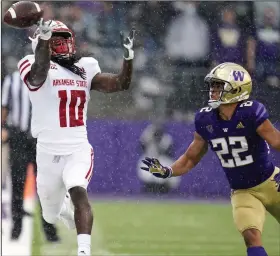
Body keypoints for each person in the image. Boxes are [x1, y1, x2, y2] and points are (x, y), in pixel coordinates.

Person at [17, 19, 135, 256]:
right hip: (48, 152)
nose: (62, 45)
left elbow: (120, 84)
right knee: (49, 215)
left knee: (78, 190)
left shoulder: (86, 66)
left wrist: (129, 57)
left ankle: (84, 252)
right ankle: (64, 210)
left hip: (77, 147)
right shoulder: (31, 63)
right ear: (43, 43)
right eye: (55, 40)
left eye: (63, 39)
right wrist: (43, 41)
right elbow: (38, 75)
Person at [141, 62, 280, 256]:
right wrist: (168, 171)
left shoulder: (251, 112)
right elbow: (191, 157)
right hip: (242, 191)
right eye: (212, 86)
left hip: (271, 182)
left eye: (218, 86)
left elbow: (276, 142)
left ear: (236, 89)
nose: (213, 91)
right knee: (251, 236)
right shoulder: (206, 119)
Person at [1, 70, 60, 242]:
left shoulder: (47, 80)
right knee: (18, 184)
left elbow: (54, 107)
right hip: (18, 136)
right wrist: (3, 128)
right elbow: (4, 107)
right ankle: (16, 228)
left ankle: (49, 230)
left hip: (41, 138)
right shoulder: (12, 80)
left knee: (45, 186)